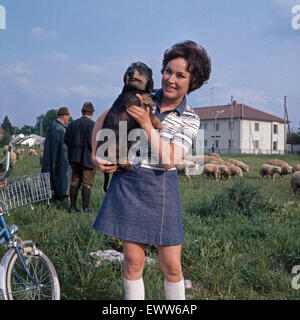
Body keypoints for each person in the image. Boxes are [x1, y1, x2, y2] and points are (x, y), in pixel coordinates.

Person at [92, 40, 211, 300]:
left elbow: (169, 160)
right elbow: (103, 119)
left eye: (180, 75)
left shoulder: (190, 118)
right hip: (127, 183)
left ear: (193, 82)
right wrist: (96, 152)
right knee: (133, 261)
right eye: (168, 71)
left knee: (171, 265)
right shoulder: (141, 95)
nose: (170, 79)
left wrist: (147, 123)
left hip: (161, 188)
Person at [64, 102, 96, 214]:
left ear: (82, 112)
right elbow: (92, 143)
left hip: (74, 158)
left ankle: (72, 207)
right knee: (86, 183)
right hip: (87, 159)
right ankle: (85, 209)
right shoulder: (93, 125)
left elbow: (66, 141)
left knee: (74, 182)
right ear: (91, 113)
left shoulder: (72, 125)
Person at [42, 107, 72, 201]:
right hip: (61, 157)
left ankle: (59, 194)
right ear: (63, 116)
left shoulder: (54, 126)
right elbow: (62, 145)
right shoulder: (58, 128)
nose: (69, 118)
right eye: (68, 116)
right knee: (63, 176)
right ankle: (62, 195)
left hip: (55, 157)